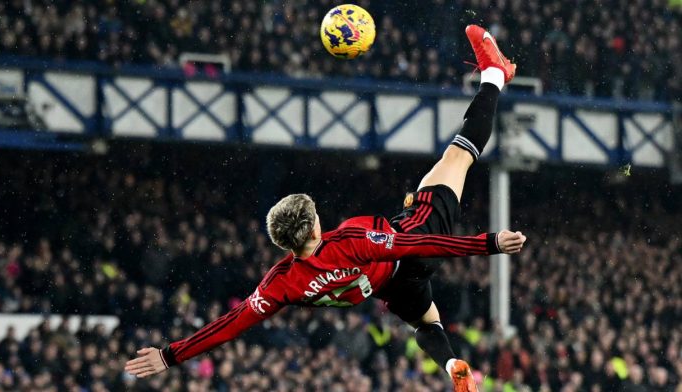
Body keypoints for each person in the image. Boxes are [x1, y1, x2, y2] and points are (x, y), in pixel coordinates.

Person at [125, 24, 520, 392]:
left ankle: (451, 364)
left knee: (426, 320)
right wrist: (490, 243)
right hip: (413, 242)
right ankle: (495, 74)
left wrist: (169, 355)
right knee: (460, 154)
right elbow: (413, 246)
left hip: (389, 287)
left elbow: (230, 325)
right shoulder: (350, 239)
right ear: (315, 226)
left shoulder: (282, 283)